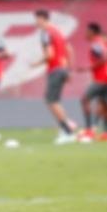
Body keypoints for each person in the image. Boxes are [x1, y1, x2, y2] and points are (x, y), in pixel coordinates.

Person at [32, 9, 78, 145]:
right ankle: (65, 130)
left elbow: (49, 55)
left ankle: (68, 132)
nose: (35, 22)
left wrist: (36, 63)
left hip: (55, 69)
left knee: (51, 101)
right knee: (55, 101)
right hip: (62, 68)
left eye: (36, 19)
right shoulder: (58, 31)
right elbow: (69, 49)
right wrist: (69, 69)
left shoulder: (45, 33)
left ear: (42, 18)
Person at [79, 22, 107, 142]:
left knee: (84, 99)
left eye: (87, 31)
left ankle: (89, 130)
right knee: (106, 105)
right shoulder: (103, 42)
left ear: (92, 32)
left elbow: (104, 58)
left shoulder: (96, 43)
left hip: (101, 79)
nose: (85, 34)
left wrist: (87, 68)